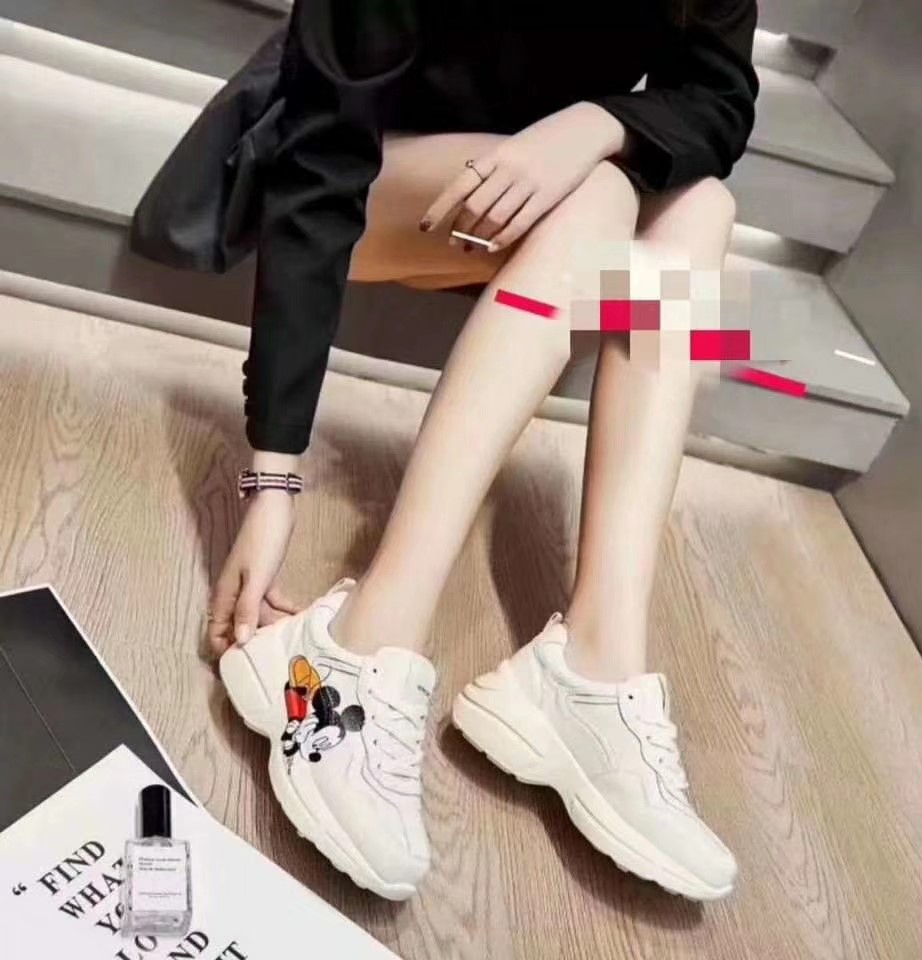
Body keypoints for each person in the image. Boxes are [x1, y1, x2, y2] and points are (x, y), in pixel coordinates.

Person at [211, 0, 758, 901]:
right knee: (604, 195)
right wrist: (272, 475)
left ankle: (594, 662)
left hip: (548, 209)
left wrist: (595, 124)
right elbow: (320, 152)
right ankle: (358, 643)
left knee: (699, 207)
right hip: (358, 177)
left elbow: (720, 100)